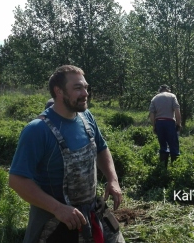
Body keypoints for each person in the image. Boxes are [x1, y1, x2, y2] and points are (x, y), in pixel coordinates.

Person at [9, 65, 125, 243]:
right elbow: (17, 180)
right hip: (56, 224)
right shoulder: (37, 130)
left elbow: (101, 148)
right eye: (78, 88)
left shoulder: (87, 118)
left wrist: (112, 179)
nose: (85, 93)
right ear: (59, 91)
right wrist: (58, 209)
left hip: (93, 212)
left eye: (85, 87)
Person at [149, 84, 182, 168]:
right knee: (174, 144)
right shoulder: (172, 96)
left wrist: (154, 126)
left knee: (163, 145)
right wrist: (178, 123)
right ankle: (175, 167)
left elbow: (152, 114)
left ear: (160, 90)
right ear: (168, 90)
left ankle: (163, 168)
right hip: (170, 122)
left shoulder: (155, 98)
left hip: (159, 123)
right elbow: (177, 110)